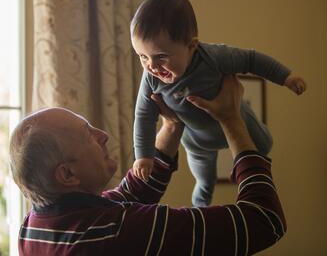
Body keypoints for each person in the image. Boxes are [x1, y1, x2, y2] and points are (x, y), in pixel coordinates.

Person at [10, 75, 286, 255]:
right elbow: (263, 220)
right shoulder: (121, 232)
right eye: (88, 136)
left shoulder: (34, 227)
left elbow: (129, 194)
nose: (103, 136)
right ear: (67, 174)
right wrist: (232, 121)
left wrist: (172, 125)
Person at [131, 0, 306, 206]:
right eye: (142, 56)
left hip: (237, 117)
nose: (152, 66)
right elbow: (143, 116)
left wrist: (286, 77)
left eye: (161, 57)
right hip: (197, 141)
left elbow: (251, 60)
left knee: (265, 145)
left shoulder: (213, 57)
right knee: (204, 179)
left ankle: (243, 172)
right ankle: (201, 206)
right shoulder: (151, 78)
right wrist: (144, 155)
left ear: (192, 46)